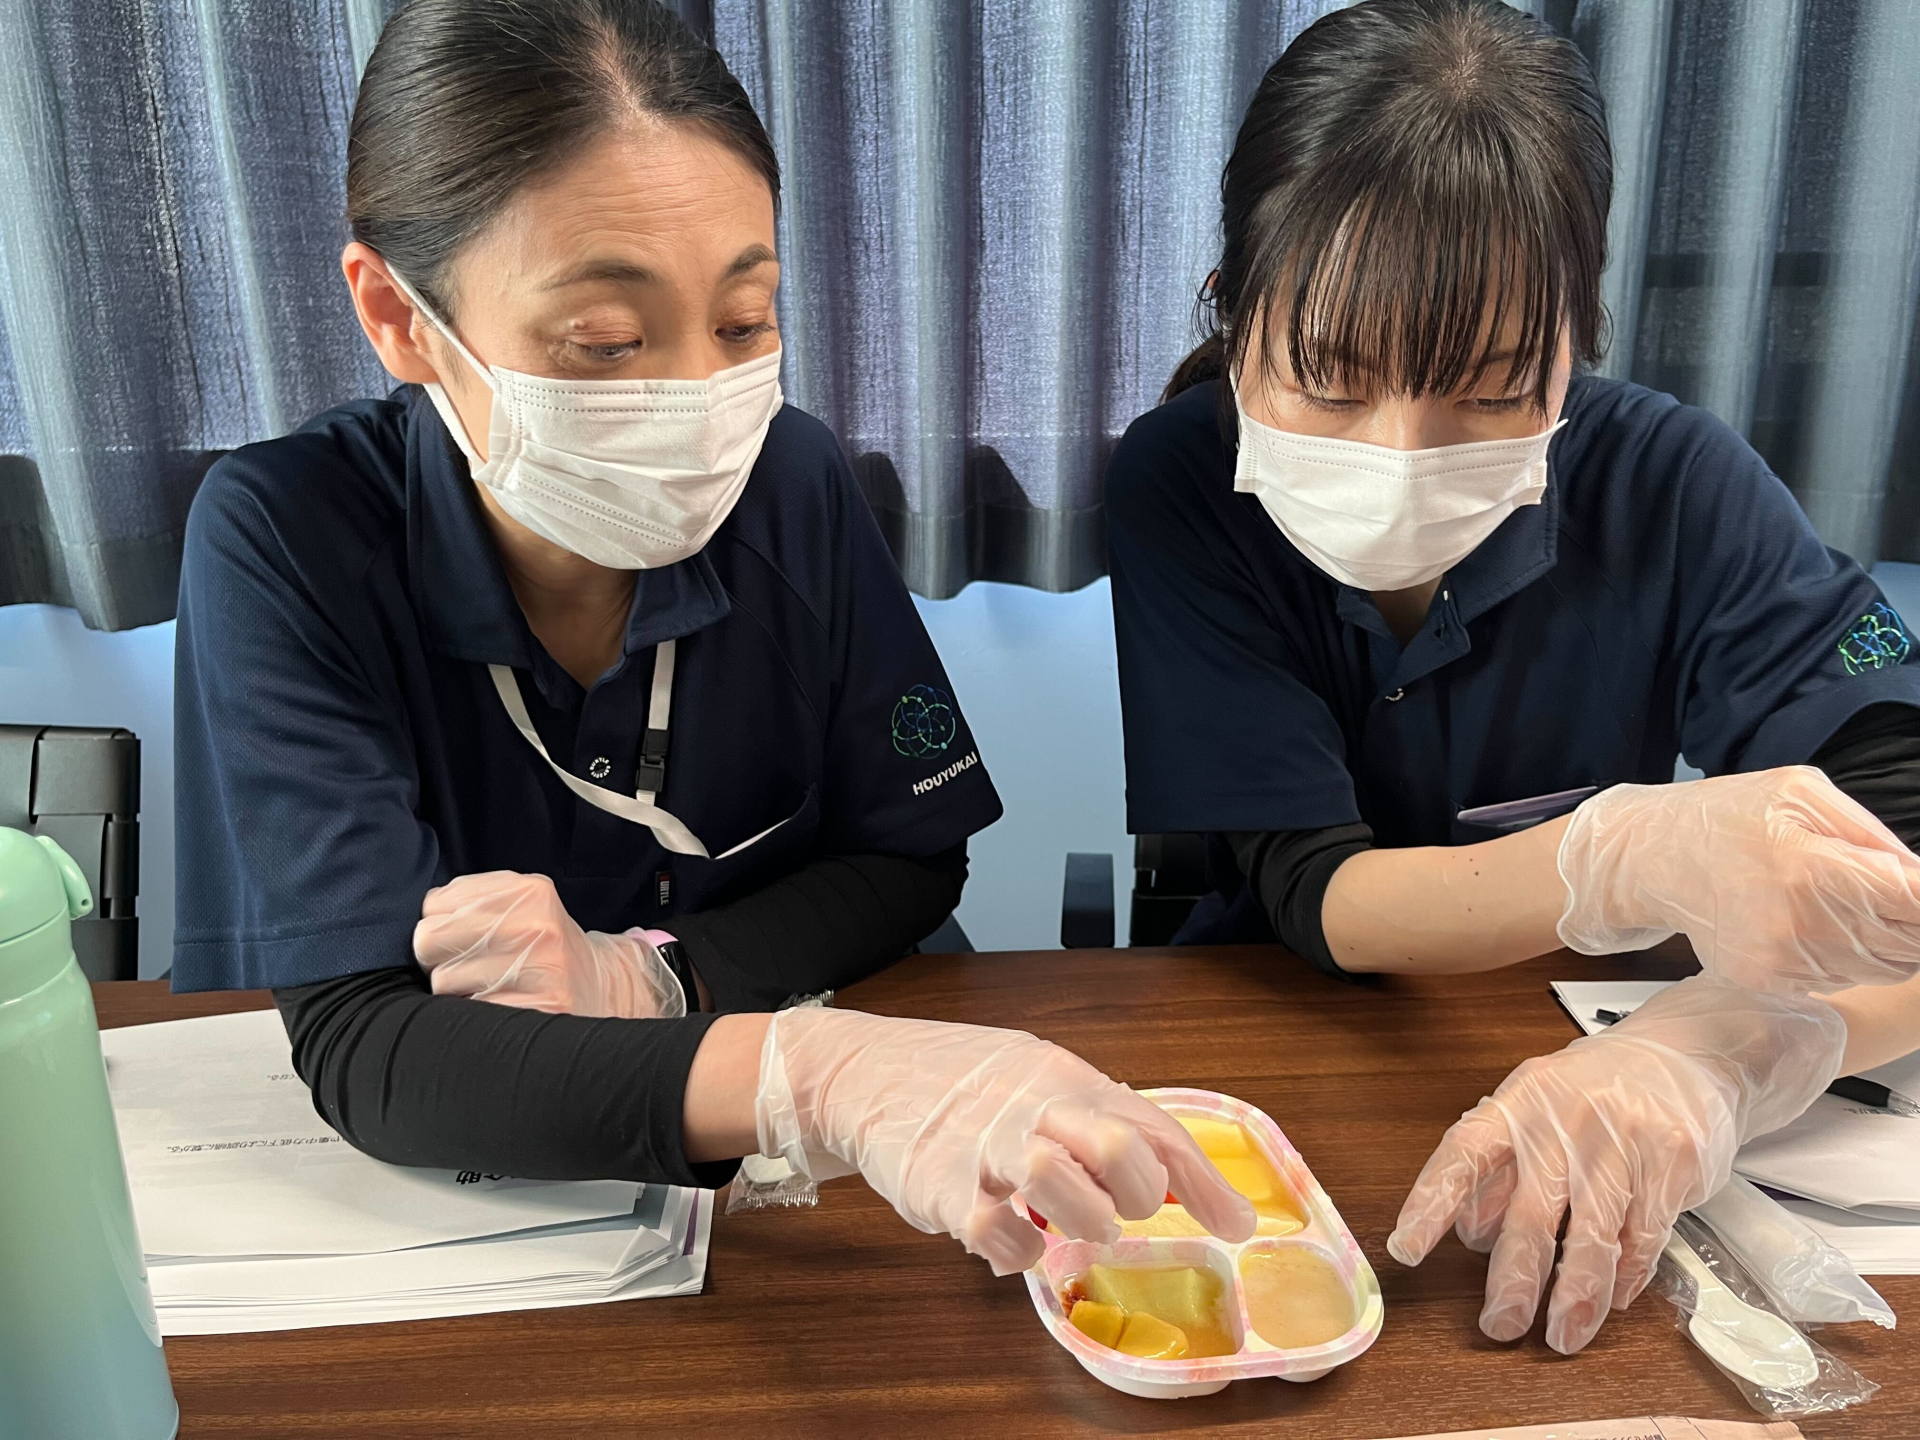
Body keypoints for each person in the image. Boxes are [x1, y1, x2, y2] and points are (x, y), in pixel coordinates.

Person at [171, 0, 1255, 1276]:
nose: (697, 398)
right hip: (536, 1192)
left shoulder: (790, 481)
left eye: (743, 322)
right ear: (402, 318)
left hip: (838, 1161)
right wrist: (809, 1073)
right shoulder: (286, 536)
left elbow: (912, 858)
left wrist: (659, 980)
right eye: (606, 342)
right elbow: (371, 1046)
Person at [1106, 0, 1920, 1349]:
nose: (1403, 452)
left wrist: (1716, 1052)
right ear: (1234, 314)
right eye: (1329, 377)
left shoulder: (1671, 480)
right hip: (1284, 1040)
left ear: (1574, 345)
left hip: (1591, 1043)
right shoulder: (1182, 482)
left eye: (1489, 390)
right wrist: (1615, 857)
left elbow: (1905, 819)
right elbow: (1314, 891)